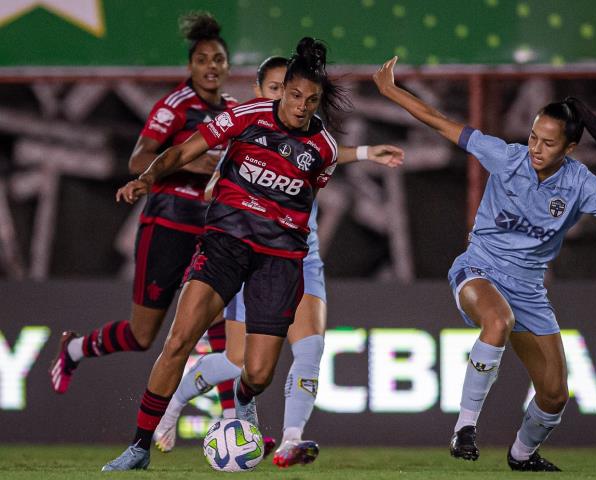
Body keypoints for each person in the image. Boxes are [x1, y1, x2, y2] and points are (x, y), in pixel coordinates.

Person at [373, 56, 596, 472]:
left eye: (548, 143)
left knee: (555, 395)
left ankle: (522, 455)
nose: (536, 148)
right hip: (478, 269)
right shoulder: (505, 156)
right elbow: (437, 120)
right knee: (496, 321)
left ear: (570, 148)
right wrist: (390, 90)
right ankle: (465, 427)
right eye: (534, 137)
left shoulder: (579, 182)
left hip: (528, 290)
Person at [103, 37, 350, 471]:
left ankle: (241, 400)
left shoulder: (324, 150)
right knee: (178, 340)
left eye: (310, 100)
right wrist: (147, 177)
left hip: (278, 261)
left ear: (318, 102)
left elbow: (303, 201)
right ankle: (139, 446)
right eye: (293, 95)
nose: (300, 106)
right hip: (224, 246)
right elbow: (182, 151)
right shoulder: (244, 116)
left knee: (257, 373)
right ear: (282, 90)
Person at [151, 56, 404, 468]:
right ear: (266, 94)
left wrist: (366, 152)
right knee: (239, 363)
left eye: (306, 98)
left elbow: (322, 157)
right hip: (247, 256)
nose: (295, 104)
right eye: (278, 91)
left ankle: (291, 439)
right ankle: (175, 404)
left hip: (300, 258)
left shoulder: (314, 141)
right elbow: (215, 177)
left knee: (311, 348)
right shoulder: (244, 136)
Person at [49, 12, 238, 416]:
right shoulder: (174, 106)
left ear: (227, 66)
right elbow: (138, 160)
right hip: (167, 224)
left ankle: (234, 421)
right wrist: (188, 163)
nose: (211, 67)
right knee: (142, 334)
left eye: (218, 59)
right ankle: (77, 348)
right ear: (190, 66)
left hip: (210, 231)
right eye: (203, 59)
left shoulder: (233, 112)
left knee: (218, 323)